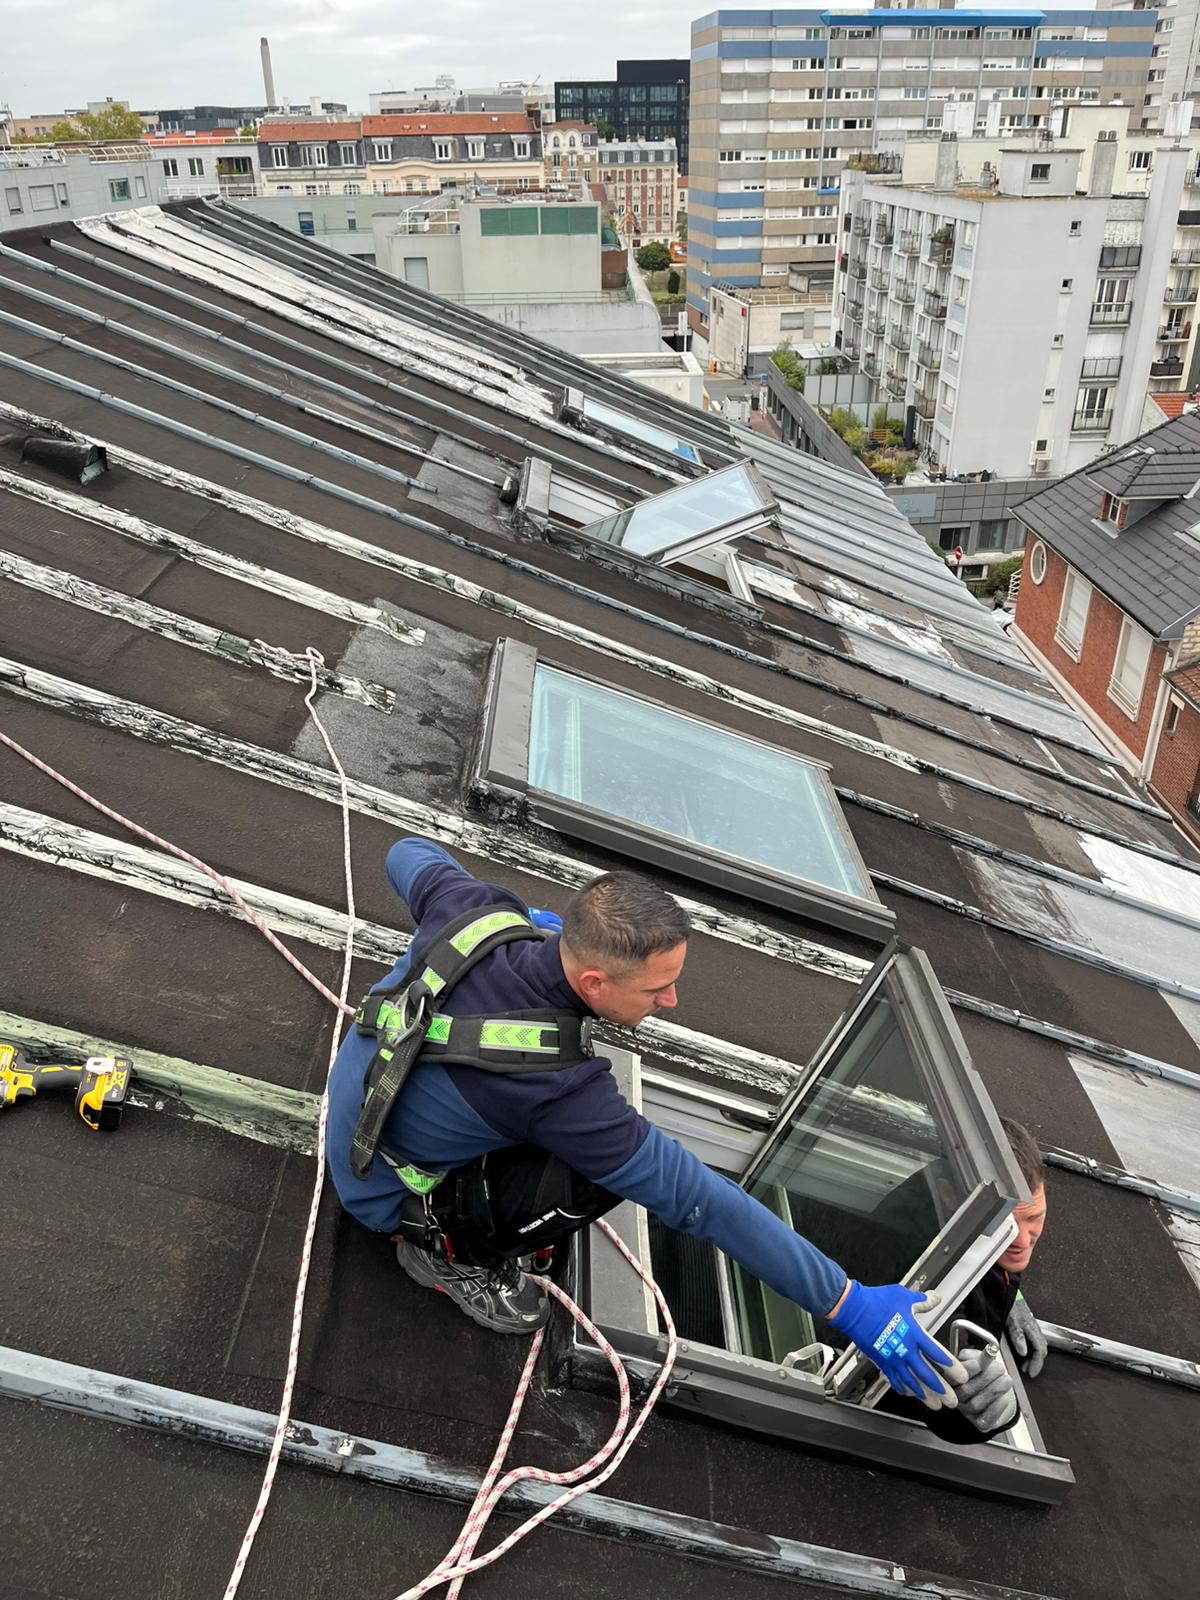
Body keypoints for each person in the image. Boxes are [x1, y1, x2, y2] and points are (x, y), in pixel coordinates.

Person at [328, 838, 966, 1411]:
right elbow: (699, 1200)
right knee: (598, 1179)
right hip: (382, 1191)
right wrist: (850, 1305)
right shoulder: (558, 1089)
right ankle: (442, 1254)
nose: (671, 1001)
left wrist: (529, 923)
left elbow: (405, 852)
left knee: (550, 1137)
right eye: (655, 989)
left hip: (364, 1100)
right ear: (595, 983)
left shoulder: (475, 911)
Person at [881, 1119, 1049, 1445]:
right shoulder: (930, 1284)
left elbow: (1010, 1228)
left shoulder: (965, 1192)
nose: (1024, 1240)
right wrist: (1001, 1413)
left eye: (1036, 1219)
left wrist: (1012, 1298)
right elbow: (950, 1406)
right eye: (1009, 1225)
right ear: (948, 1195)